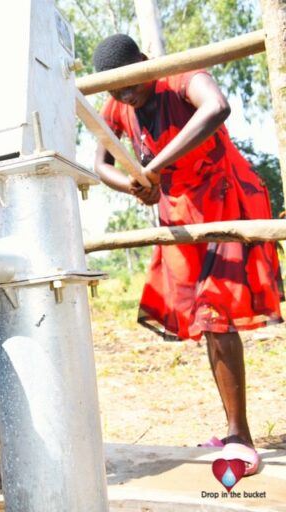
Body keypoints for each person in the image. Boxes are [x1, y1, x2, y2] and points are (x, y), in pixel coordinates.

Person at [92, 33, 282, 476]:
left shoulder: (178, 75)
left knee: (216, 314)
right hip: (180, 216)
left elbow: (216, 107)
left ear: (145, 62)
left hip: (224, 198)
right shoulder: (117, 105)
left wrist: (152, 167)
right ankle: (232, 431)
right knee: (202, 318)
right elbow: (100, 162)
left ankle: (241, 439)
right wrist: (134, 183)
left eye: (131, 83)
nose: (126, 94)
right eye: (116, 89)